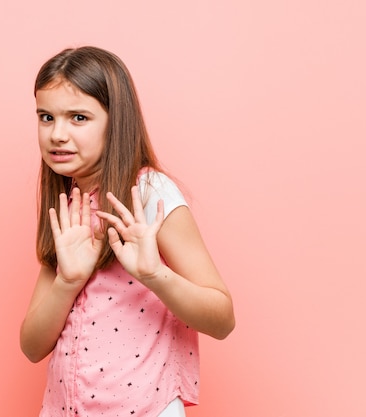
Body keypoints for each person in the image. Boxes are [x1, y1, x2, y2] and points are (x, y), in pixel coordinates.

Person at [20, 46, 235, 417]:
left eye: (78, 117)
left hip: (144, 408)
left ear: (116, 120)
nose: (57, 134)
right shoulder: (70, 205)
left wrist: (155, 274)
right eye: (46, 117)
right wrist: (67, 282)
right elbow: (32, 346)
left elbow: (223, 319)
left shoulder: (149, 193)